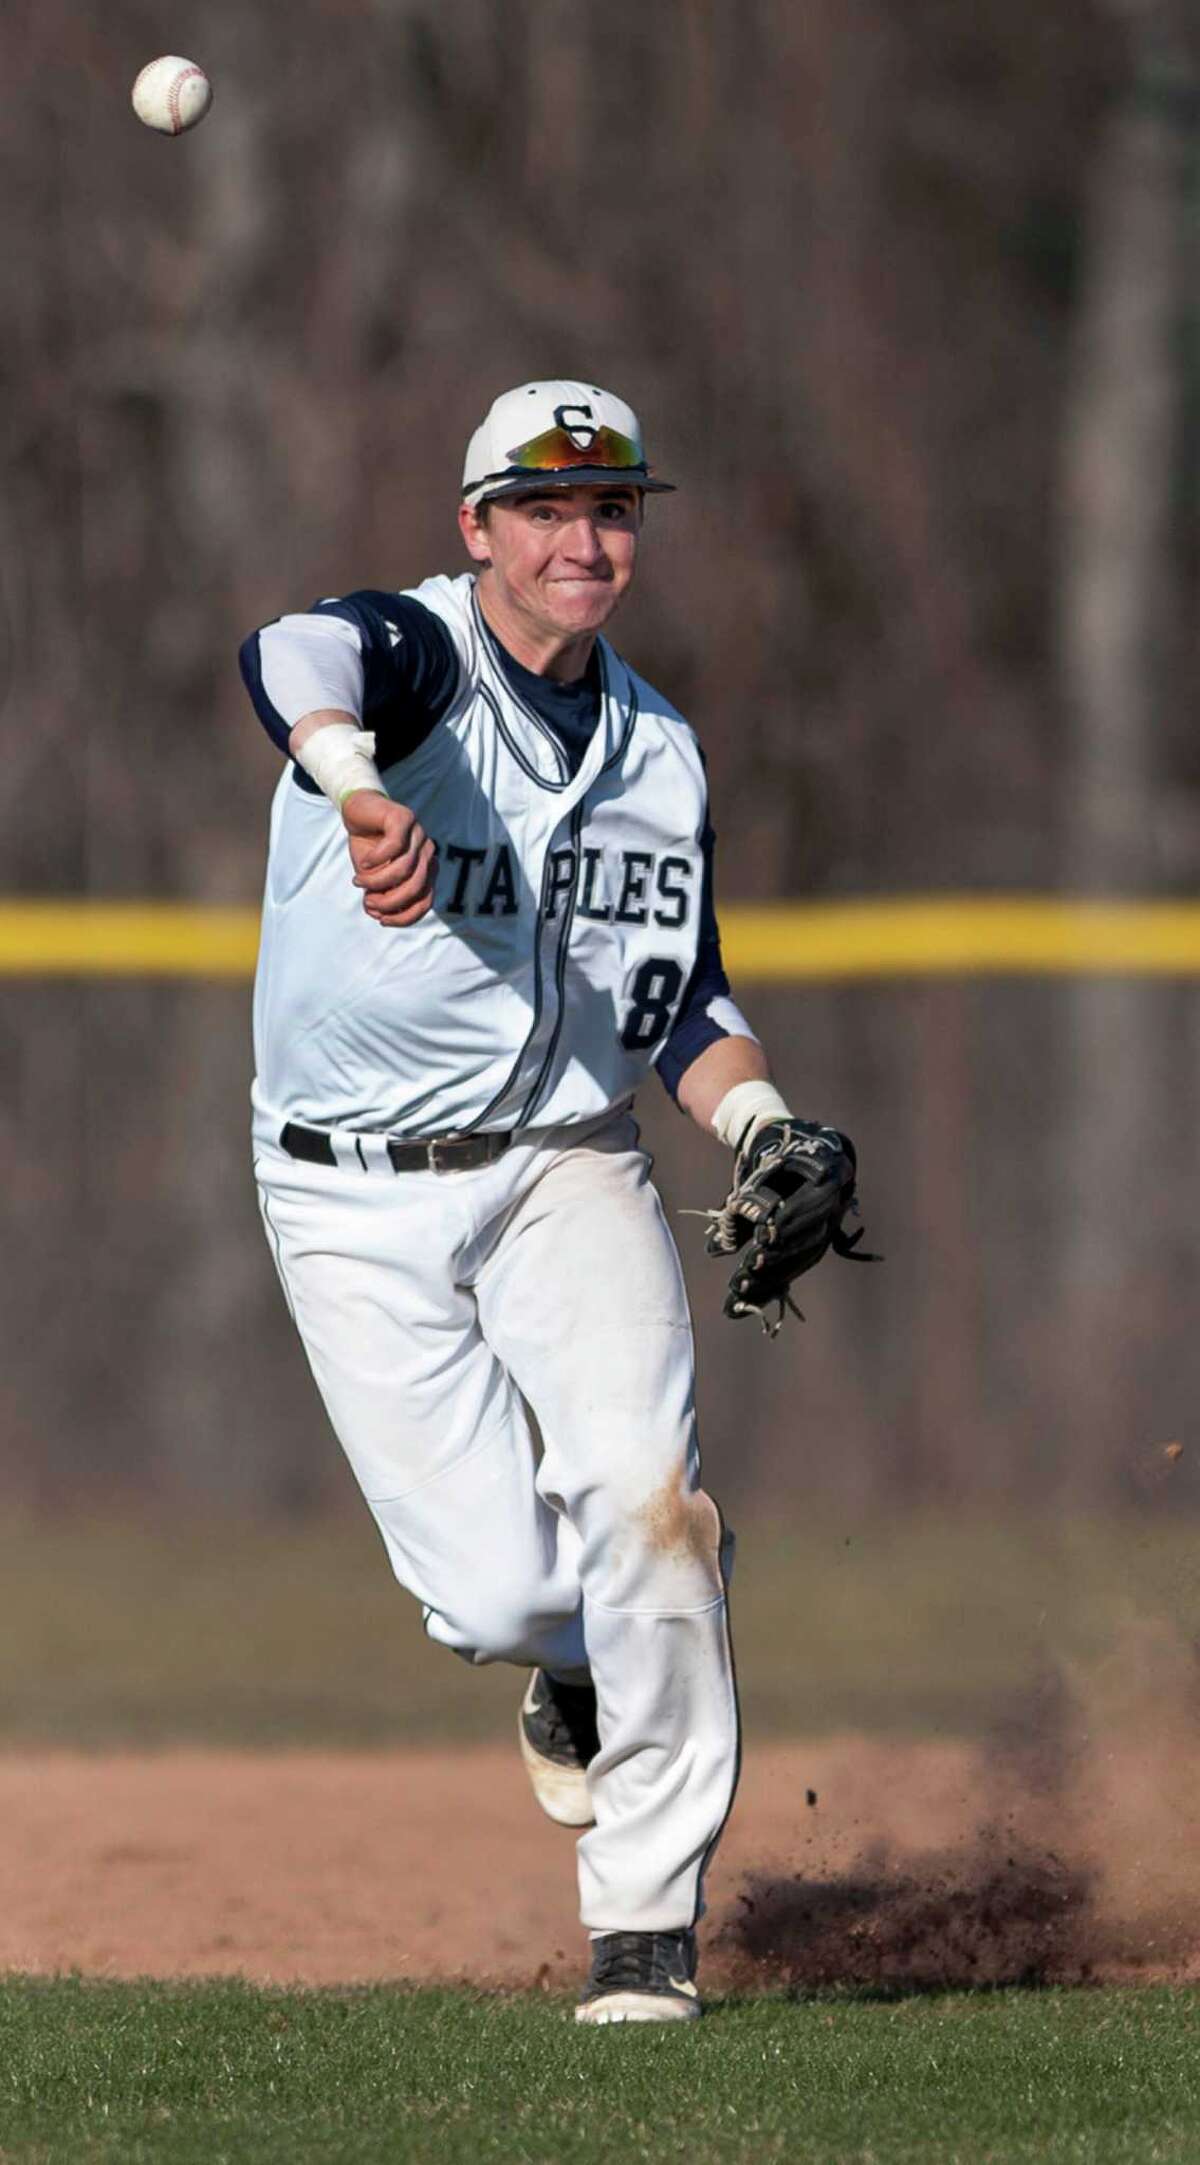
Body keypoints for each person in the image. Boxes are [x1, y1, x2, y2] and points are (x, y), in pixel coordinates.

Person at [240, 379, 853, 2023]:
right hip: (351, 1191)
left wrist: (771, 1130)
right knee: (501, 1597)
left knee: (650, 1505)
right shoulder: (420, 664)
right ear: (477, 531)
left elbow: (680, 1002)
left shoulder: (658, 747)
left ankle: (644, 1931)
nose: (581, 539)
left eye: (612, 510)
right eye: (542, 509)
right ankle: (567, 1669)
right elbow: (289, 654)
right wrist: (355, 783)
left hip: (562, 1164)